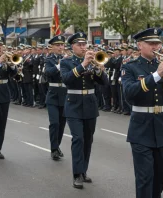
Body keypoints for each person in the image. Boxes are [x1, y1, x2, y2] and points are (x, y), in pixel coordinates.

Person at [121, 28, 163, 198]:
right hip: (141, 127)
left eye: (157, 43)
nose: (156, 46)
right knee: (145, 176)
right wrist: (157, 75)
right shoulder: (130, 67)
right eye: (151, 43)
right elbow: (129, 93)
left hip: (162, 126)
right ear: (140, 45)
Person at [60, 32, 108, 189]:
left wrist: (100, 69)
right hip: (73, 104)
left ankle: (83, 170)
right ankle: (77, 174)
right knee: (78, 138)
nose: (83, 47)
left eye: (84, 44)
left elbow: (104, 82)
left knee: (88, 140)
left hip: (90, 104)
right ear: (72, 46)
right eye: (79, 44)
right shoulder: (66, 62)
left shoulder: (93, 61)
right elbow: (67, 79)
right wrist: (83, 65)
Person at [45, 35, 67, 160]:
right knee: (54, 123)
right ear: (52, 47)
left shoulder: (68, 59)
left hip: (65, 94)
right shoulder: (49, 59)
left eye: (62, 45)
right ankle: (54, 149)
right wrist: (59, 65)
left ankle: (57, 146)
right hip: (53, 94)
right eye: (57, 45)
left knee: (62, 125)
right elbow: (48, 72)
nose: (60, 47)